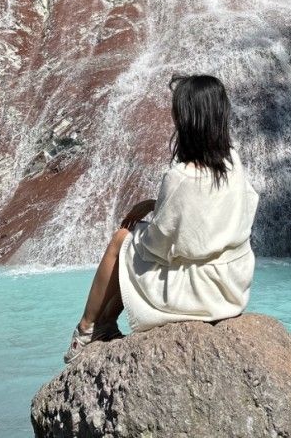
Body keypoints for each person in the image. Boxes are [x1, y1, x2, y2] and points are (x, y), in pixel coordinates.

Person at [64, 74, 259, 361]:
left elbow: (158, 244)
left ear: (186, 119)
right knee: (135, 245)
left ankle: (86, 329)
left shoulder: (180, 176)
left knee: (123, 240)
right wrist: (156, 204)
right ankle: (101, 326)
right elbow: (228, 206)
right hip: (231, 285)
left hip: (197, 292)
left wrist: (139, 229)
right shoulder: (232, 160)